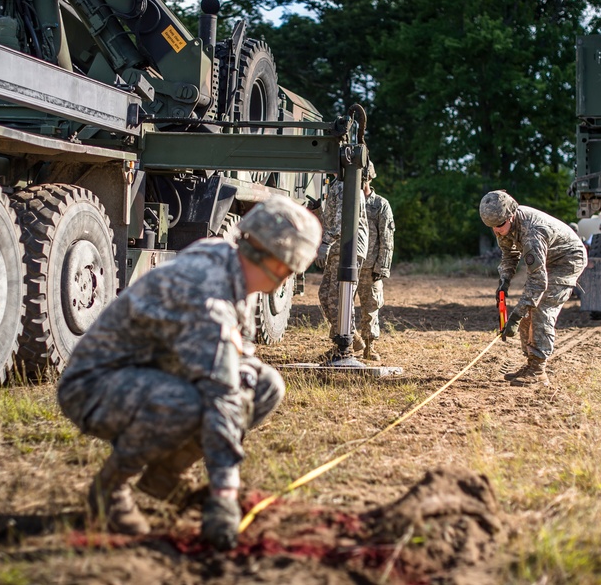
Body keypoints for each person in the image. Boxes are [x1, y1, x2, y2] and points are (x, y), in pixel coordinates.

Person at [57, 195, 322, 550]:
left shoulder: (233, 267)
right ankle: (111, 490)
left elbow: (236, 364)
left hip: (156, 370)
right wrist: (225, 495)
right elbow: (222, 395)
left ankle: (164, 476)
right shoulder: (208, 292)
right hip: (94, 387)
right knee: (185, 403)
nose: (286, 279)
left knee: (265, 385)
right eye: (290, 270)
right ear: (274, 262)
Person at [479, 190, 587, 387]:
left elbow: (538, 282)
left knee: (541, 309)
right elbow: (509, 255)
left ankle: (538, 370)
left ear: (511, 215)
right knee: (528, 312)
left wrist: (516, 315)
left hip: (567, 260)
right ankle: (531, 364)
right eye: (492, 227)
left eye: (500, 226)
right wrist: (504, 280)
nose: (496, 231)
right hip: (548, 257)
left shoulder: (533, 233)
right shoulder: (503, 223)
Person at [316, 168, 369, 358]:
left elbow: (342, 221)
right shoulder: (338, 185)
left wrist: (325, 242)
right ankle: (350, 337)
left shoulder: (346, 185)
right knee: (326, 295)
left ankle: (344, 347)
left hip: (348, 246)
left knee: (340, 298)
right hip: (339, 246)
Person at [357, 162, 395, 361]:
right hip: (349, 264)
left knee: (371, 308)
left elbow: (387, 238)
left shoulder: (380, 204)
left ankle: (369, 347)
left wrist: (382, 266)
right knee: (338, 305)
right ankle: (345, 343)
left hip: (370, 267)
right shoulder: (349, 202)